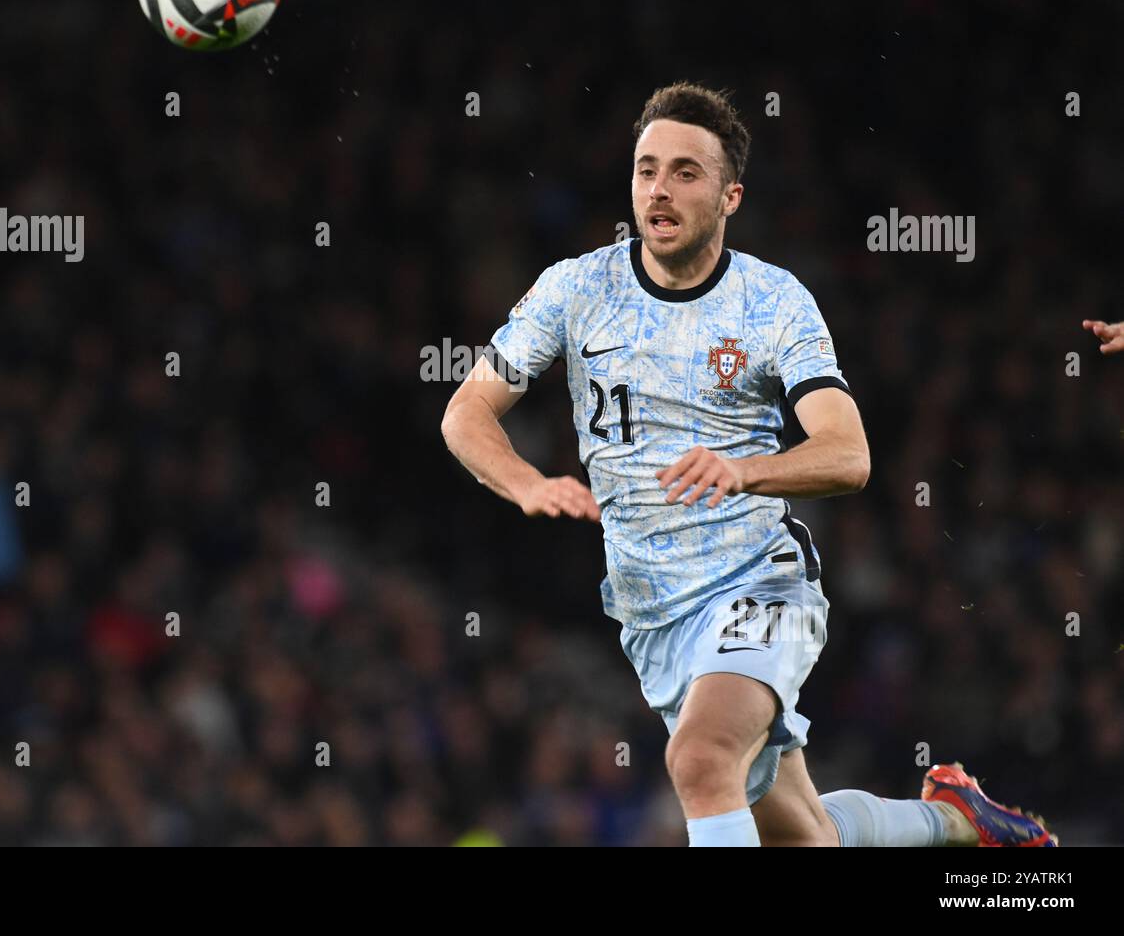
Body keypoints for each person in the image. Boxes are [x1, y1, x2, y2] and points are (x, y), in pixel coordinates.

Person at [441, 81, 1057, 847]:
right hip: (652, 613)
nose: (659, 190)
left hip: (759, 581)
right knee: (805, 835)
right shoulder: (576, 288)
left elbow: (849, 452)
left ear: (731, 195)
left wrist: (746, 469)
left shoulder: (774, 304)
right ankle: (952, 819)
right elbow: (465, 411)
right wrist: (525, 481)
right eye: (646, 169)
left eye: (685, 173)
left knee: (699, 759)